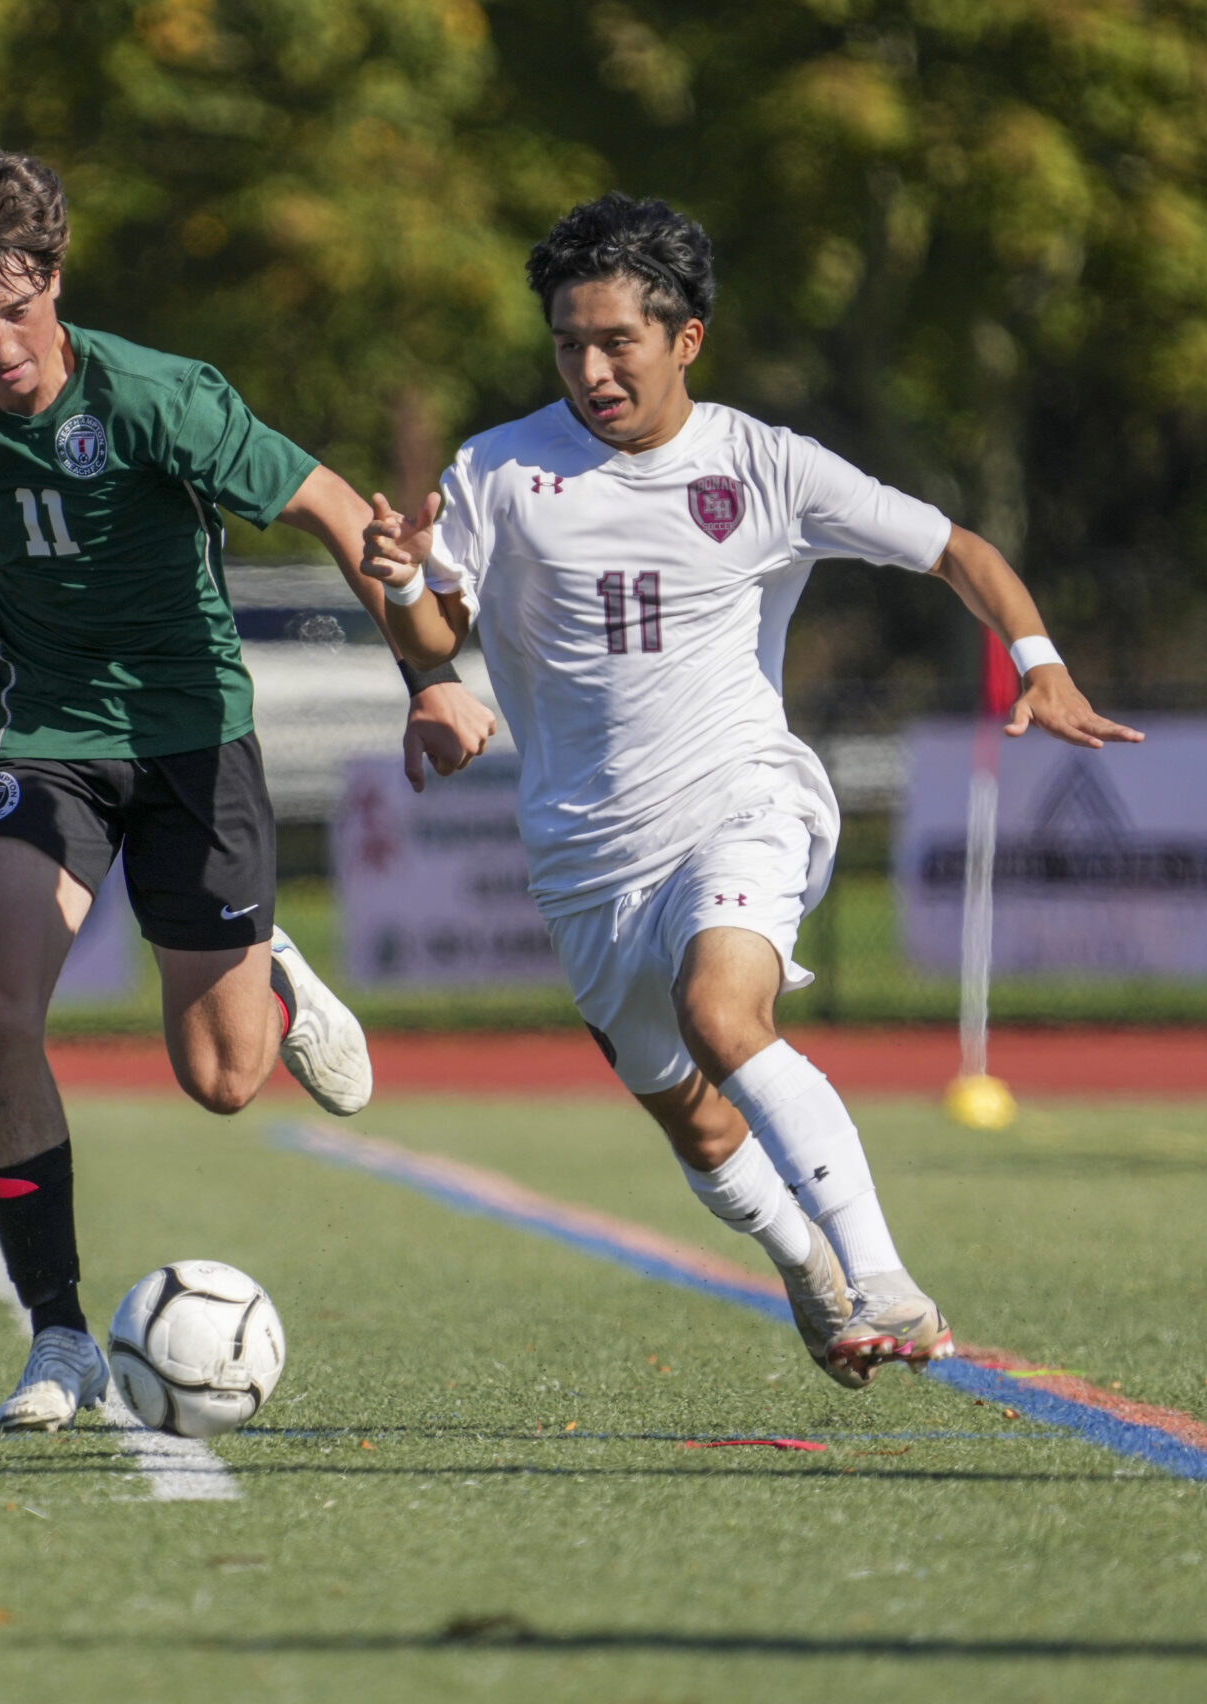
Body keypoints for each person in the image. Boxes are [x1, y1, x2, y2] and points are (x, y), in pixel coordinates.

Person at [362, 193, 1140, 1385]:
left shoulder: (765, 465)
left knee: (724, 1017)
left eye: (615, 340)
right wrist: (402, 586)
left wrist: (1040, 665)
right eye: (568, 342)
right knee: (698, 1119)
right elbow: (438, 622)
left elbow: (958, 552)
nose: (589, 368)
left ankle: (885, 1278)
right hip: (582, 854)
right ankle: (803, 1266)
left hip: (742, 798)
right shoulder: (502, 468)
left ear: (686, 338)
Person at [0, 141, 499, 1430]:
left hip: (195, 731)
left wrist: (427, 672)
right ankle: (57, 1338)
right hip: (41, 736)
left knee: (222, 1078)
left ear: (53, 284)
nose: (0, 349)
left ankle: (266, 964)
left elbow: (326, 507)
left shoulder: (157, 398)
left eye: (18, 314)